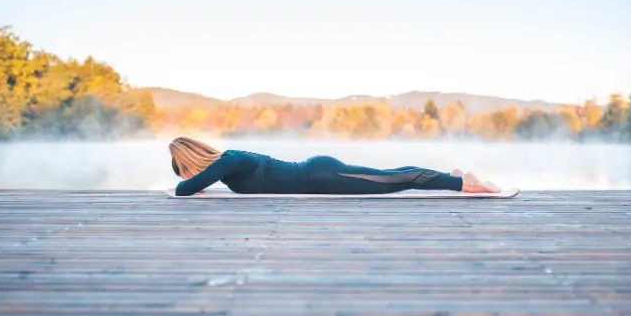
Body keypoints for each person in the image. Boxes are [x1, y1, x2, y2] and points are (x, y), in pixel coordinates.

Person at [166, 136, 502, 197]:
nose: (191, 177)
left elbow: (184, 190)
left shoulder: (228, 161)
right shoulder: (227, 166)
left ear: (190, 162)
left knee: (397, 180)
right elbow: (192, 185)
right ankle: (454, 177)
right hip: (316, 175)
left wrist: (189, 184)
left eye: (186, 169)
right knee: (391, 177)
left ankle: (465, 184)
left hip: (321, 174)